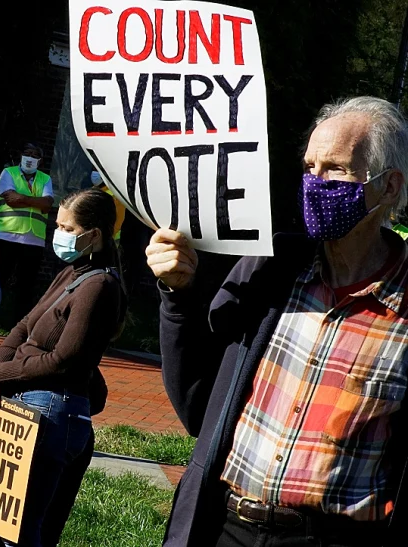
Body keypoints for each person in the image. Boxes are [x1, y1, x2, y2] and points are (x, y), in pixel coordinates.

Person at [146, 96, 408, 547]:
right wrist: (177, 296)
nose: (315, 183)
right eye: (310, 167)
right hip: (225, 526)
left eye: (336, 169)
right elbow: (199, 405)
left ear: (388, 187)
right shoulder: (271, 270)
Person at [0, 187, 126, 547]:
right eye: (58, 226)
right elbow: (23, 326)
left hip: (53, 412)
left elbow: (64, 361)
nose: (59, 234)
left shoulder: (100, 286)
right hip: (22, 400)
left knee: (17, 531)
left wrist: (0, 374)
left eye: (68, 229)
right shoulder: (71, 272)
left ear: (94, 235)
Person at [0, 142, 55, 325]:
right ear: (20, 156)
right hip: (6, 236)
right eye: (27, 153)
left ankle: (18, 326)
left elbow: (47, 204)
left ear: (40, 161)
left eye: (35, 155)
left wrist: (21, 198)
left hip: (34, 240)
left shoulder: (45, 178)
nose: (30, 157)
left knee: (26, 287)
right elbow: (10, 200)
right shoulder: (8, 173)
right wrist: (35, 201)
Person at [90, 170, 126, 243]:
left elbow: (119, 219)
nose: (94, 173)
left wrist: (106, 237)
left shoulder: (115, 196)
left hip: (109, 239)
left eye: (97, 170)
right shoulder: (92, 191)